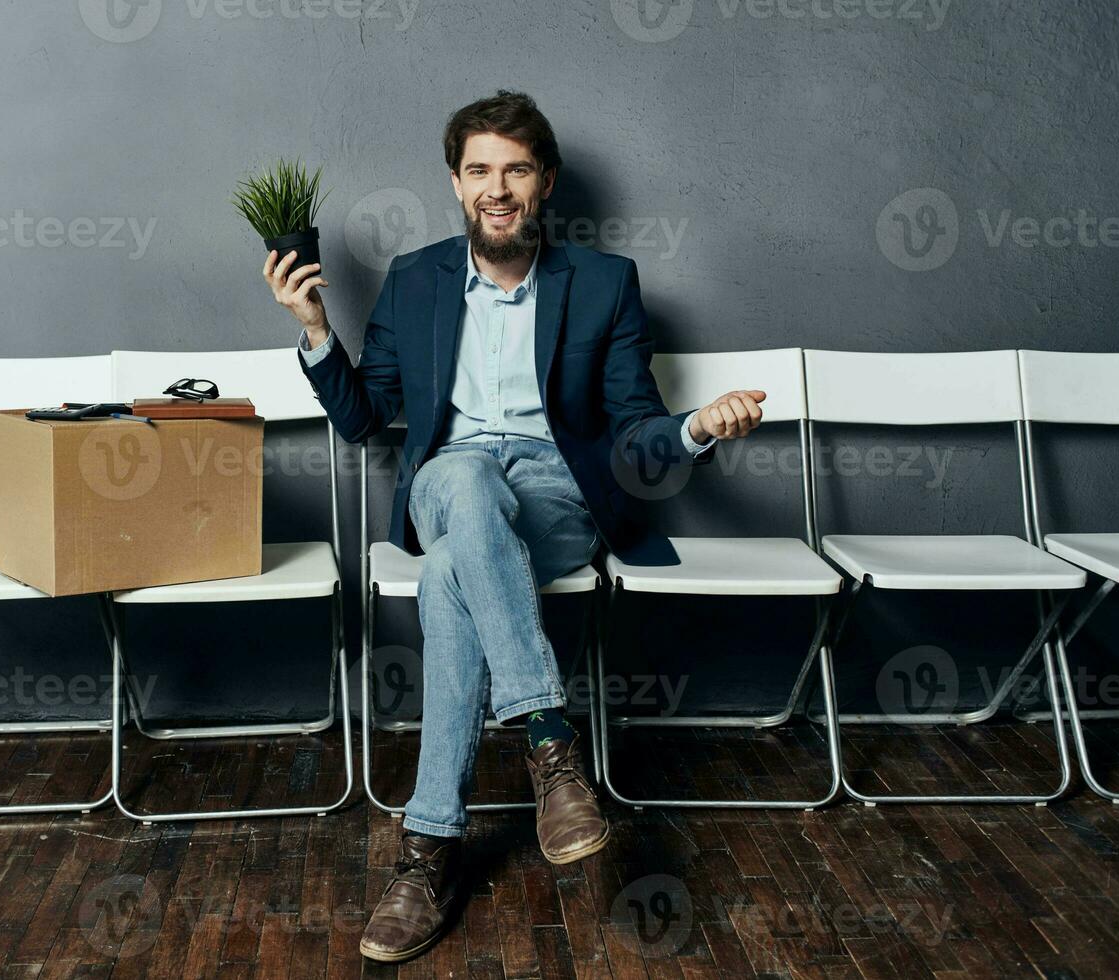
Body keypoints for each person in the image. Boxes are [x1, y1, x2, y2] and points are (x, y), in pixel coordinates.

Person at [262, 90, 766, 964]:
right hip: (448, 482)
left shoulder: (604, 284)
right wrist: (314, 331)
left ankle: (426, 856)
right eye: (479, 170)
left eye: (516, 169)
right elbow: (364, 417)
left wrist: (695, 429)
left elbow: (633, 424)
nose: (497, 188)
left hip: (555, 492)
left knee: (457, 570)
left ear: (546, 182)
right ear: (456, 184)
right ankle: (546, 739)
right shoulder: (414, 279)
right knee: (459, 474)